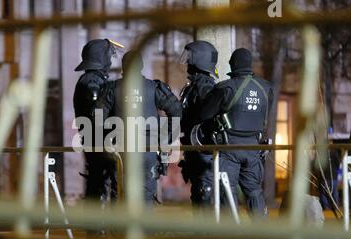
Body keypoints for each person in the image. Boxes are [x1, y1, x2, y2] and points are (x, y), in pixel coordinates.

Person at [95, 50, 182, 205]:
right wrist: (165, 137)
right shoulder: (154, 88)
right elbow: (176, 111)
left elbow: (97, 118)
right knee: (146, 195)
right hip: (148, 149)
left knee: (121, 194)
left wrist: (109, 138)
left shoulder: (111, 88)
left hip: (121, 150)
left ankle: (122, 228)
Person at [197, 48, 274, 217]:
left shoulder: (225, 88)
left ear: (233, 64)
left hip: (229, 149)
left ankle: (232, 238)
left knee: (227, 192)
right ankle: (262, 237)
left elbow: (204, 115)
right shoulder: (266, 88)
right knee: (254, 191)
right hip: (254, 149)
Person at [73, 39, 120, 204]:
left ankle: (107, 226)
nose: (110, 60)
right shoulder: (92, 82)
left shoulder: (95, 80)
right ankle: (98, 227)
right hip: (99, 142)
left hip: (101, 141)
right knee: (100, 183)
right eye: (109, 56)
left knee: (105, 181)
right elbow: (97, 115)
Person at [178, 40, 219, 208]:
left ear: (199, 60)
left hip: (203, 152)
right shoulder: (194, 85)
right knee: (198, 194)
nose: (187, 61)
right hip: (194, 151)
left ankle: (208, 233)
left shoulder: (205, 87)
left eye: (190, 57)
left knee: (204, 192)